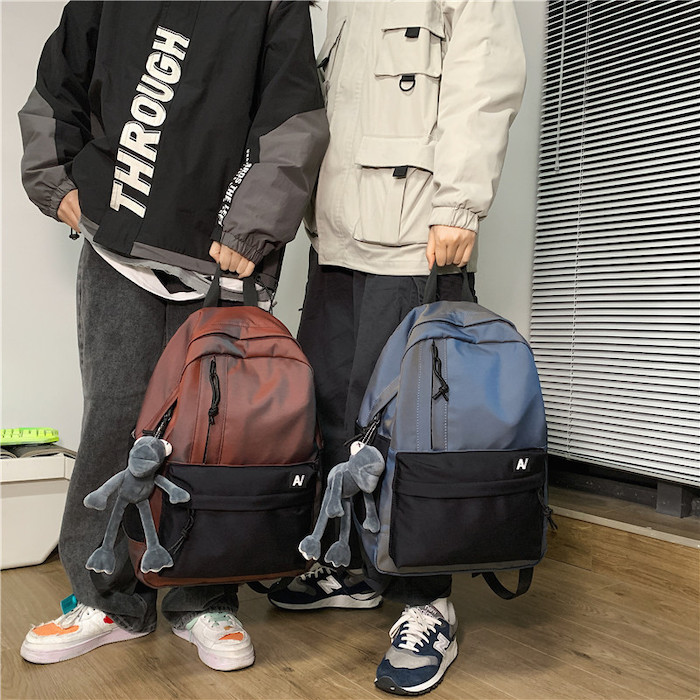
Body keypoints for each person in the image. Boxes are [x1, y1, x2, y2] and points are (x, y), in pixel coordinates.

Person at [18, 0, 328, 671]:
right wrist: (54, 179)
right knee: (114, 421)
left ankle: (204, 597)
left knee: (218, 432)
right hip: (118, 243)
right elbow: (57, 82)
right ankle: (107, 599)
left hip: (220, 251)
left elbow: (294, 117)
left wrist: (252, 227)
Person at [267, 0, 526, 694]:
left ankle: (427, 601)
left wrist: (460, 203)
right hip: (337, 238)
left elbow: (486, 74)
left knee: (414, 428)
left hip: (416, 238)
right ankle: (354, 567)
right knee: (332, 410)